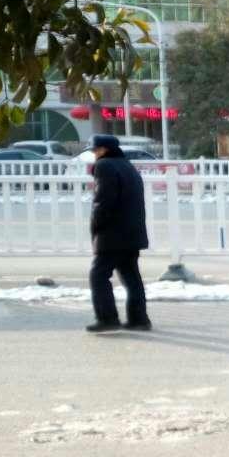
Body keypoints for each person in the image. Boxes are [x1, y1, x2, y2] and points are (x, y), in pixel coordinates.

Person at [87, 134, 151, 333]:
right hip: (132, 232)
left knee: (98, 276)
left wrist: (96, 225)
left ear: (104, 150)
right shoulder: (127, 165)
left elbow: (103, 200)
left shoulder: (104, 166)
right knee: (131, 276)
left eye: (95, 150)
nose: (94, 154)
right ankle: (139, 319)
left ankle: (107, 318)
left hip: (113, 233)